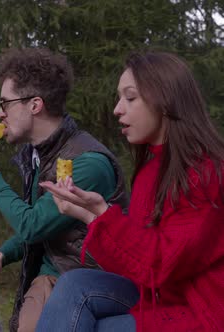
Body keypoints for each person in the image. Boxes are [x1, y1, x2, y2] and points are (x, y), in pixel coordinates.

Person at [37, 52, 224, 331]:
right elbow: (133, 265)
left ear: (165, 100)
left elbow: (161, 264)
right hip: (156, 293)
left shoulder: (205, 173)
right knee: (75, 283)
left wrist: (103, 214)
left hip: (201, 307)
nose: (117, 109)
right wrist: (90, 216)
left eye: (130, 97)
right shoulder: (150, 171)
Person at [0, 48, 129, 332]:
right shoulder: (38, 155)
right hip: (54, 278)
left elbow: (32, 225)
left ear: (35, 104)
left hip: (86, 284)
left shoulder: (87, 163)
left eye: (5, 103)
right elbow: (44, 222)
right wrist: (2, 254)